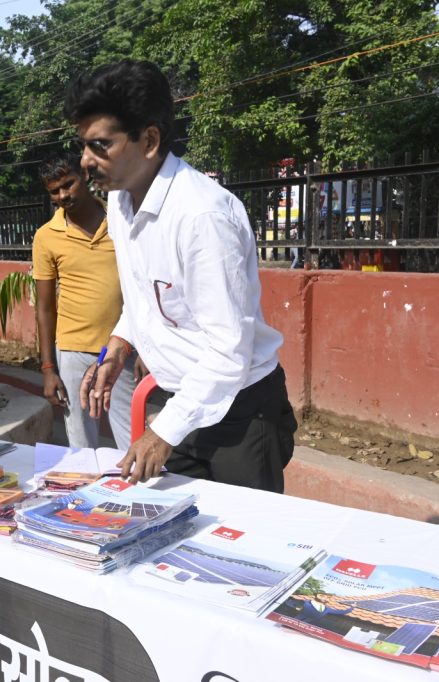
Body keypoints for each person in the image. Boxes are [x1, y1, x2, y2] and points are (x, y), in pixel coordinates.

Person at [65, 59, 297, 492]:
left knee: (241, 548)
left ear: (149, 139)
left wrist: (163, 431)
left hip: (240, 416)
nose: (85, 162)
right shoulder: (120, 203)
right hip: (181, 405)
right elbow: (147, 297)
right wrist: (119, 344)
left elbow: (229, 352)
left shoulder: (202, 217)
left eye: (100, 146)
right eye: (83, 146)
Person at [31, 152, 142, 450]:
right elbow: (44, 308)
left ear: (85, 177)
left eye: (69, 184)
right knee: (81, 446)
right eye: (55, 191)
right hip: (72, 351)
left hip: (121, 349)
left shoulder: (121, 220)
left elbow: (142, 284)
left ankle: (137, 495)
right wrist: (48, 369)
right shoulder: (46, 237)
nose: (63, 195)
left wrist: (146, 348)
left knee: (133, 440)